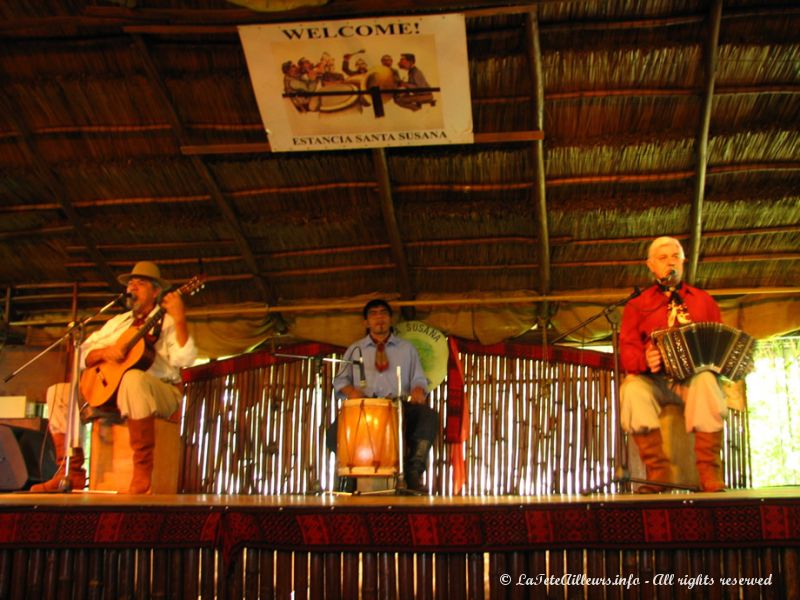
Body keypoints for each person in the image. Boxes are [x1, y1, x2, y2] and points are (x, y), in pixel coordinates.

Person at [31, 261, 197, 494]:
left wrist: (179, 318)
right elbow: (84, 354)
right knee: (58, 392)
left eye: (140, 283)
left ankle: (142, 471)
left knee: (133, 378)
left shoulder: (167, 321)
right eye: (131, 283)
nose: (133, 287)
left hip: (161, 391)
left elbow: (185, 360)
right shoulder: (118, 322)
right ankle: (70, 471)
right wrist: (105, 352)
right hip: (112, 394)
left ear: (156, 291)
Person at [619, 237, 727, 493]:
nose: (670, 262)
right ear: (650, 265)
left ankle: (709, 471)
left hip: (691, 380)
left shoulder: (704, 301)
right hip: (655, 380)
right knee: (631, 390)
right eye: (662, 257)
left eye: (675, 256)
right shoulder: (637, 304)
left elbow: (719, 345)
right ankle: (658, 473)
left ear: (683, 262)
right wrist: (645, 360)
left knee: (706, 381)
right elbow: (627, 352)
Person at [327, 299, 438, 493]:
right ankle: (350, 474)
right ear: (366, 322)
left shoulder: (407, 349)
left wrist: (418, 389)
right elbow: (340, 380)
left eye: (384, 313)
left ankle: (413, 471)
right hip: (365, 408)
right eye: (373, 313)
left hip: (399, 406)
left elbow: (419, 379)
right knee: (332, 434)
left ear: (390, 319)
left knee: (428, 417)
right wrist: (352, 392)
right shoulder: (354, 349)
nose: (379, 317)